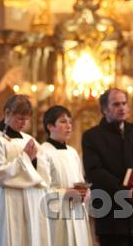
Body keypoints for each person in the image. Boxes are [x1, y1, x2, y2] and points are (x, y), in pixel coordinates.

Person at [82, 88, 133, 246]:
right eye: (116, 104)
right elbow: (95, 172)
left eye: (124, 103)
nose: (122, 108)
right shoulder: (92, 137)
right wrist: (124, 192)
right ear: (104, 109)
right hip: (111, 215)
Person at [0, 95, 52, 246]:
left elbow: (45, 170)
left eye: (27, 119)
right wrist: (25, 159)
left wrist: (34, 160)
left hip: (32, 203)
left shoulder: (28, 139)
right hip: (8, 205)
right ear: (7, 113)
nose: (24, 123)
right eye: (20, 118)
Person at [39, 105, 93, 246]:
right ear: (50, 126)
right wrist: (65, 194)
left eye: (70, 122)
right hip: (57, 217)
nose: (69, 126)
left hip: (77, 212)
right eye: (63, 122)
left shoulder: (73, 152)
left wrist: (85, 193)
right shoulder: (42, 152)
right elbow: (41, 190)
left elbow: (80, 181)